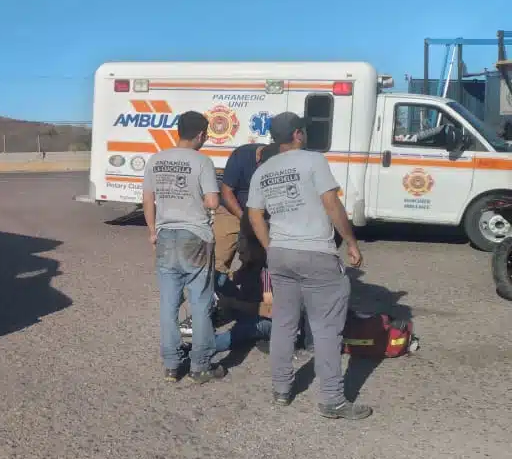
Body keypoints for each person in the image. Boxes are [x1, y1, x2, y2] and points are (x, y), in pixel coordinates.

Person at [245, 111, 371, 420]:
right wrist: (351, 242)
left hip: (281, 253)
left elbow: (254, 214)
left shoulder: (262, 170)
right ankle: (332, 400)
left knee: (284, 323)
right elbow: (331, 203)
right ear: (298, 134)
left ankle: (281, 390)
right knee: (326, 328)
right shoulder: (314, 161)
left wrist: (270, 246)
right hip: (315, 252)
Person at [142, 110, 226, 384]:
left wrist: (153, 232)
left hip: (165, 235)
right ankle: (200, 365)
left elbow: (148, 200)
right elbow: (213, 202)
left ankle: (171, 364)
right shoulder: (202, 162)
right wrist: (195, 201)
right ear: (201, 135)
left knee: (169, 303)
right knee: (200, 303)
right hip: (195, 236)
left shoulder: (155, 160)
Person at [214, 141, 268, 281]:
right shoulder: (241, 155)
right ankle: (216, 289)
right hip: (232, 209)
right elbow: (226, 192)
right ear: (258, 160)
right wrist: (245, 219)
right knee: (219, 257)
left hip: (262, 213)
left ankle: (246, 280)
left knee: (258, 255)